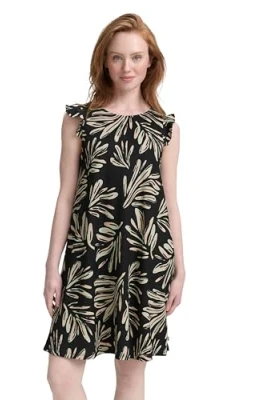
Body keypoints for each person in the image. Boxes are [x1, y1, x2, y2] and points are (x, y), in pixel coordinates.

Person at [42, 13, 185, 400]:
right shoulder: (79, 121)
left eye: (136, 57)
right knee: (61, 373)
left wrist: (180, 269)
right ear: (104, 61)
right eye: (117, 57)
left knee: (130, 373)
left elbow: (170, 203)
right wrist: (52, 267)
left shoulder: (164, 128)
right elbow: (66, 196)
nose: (127, 67)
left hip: (145, 257)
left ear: (151, 61)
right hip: (87, 255)